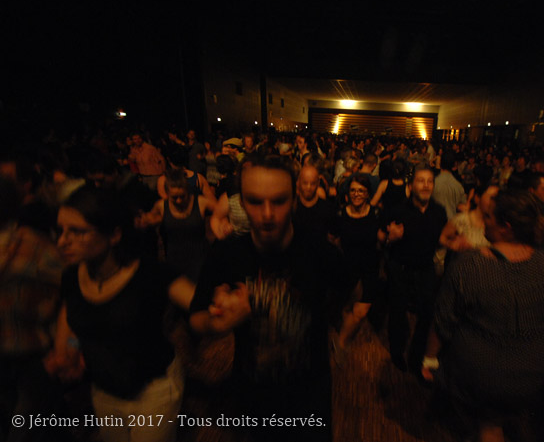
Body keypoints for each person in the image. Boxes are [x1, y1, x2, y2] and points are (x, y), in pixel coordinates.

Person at [189, 154, 348, 442]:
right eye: (254, 201)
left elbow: (353, 291)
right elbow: (196, 317)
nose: (266, 214)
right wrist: (217, 324)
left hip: (309, 398)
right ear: (240, 202)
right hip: (252, 396)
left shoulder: (319, 252)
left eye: (278, 201)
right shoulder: (226, 254)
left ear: (294, 200)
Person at [423, 189, 544, 442]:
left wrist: (430, 358)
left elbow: (443, 320)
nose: (484, 222)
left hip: (480, 370)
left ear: (505, 227)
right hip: (531, 371)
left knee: (487, 425)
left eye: (489, 217)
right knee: (496, 422)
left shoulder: (470, 266)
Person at [46, 186, 195, 442]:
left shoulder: (149, 274)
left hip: (153, 390)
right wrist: (71, 349)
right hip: (105, 392)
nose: (62, 242)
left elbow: (201, 306)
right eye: (60, 231)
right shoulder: (72, 277)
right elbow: (76, 323)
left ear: (114, 234)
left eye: (77, 232)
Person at [0, 177, 64, 442]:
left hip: (31, 354)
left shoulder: (32, 245)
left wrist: (67, 345)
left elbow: (70, 293)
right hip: (22, 352)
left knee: (24, 427)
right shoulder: (34, 245)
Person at [379, 163, 447, 373]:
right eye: (421, 181)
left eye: (430, 181)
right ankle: (397, 352)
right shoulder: (397, 210)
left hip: (425, 269)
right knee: (398, 314)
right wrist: (390, 238)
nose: (426, 185)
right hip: (400, 269)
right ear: (411, 185)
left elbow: (440, 240)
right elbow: (380, 236)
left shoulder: (439, 212)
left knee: (427, 314)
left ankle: (417, 355)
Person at [328, 175, 381, 360]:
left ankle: (341, 342)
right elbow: (332, 238)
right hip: (347, 268)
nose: (356, 194)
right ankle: (342, 328)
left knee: (362, 310)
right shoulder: (340, 215)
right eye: (353, 190)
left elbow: (382, 239)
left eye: (361, 191)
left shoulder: (376, 214)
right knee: (347, 305)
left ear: (367, 194)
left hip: (369, 268)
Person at [138, 168, 216, 282]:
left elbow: (220, 211)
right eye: (174, 197)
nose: (179, 201)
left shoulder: (201, 202)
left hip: (200, 259)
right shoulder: (161, 206)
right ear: (167, 193)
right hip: (174, 261)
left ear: (188, 190)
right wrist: (143, 221)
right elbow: (148, 221)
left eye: (182, 196)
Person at [439, 183, 499, 252]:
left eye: (497, 198)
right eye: (492, 197)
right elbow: (442, 238)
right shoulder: (461, 219)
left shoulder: (495, 226)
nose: (495, 202)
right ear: (477, 198)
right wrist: (452, 245)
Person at [433, 150, 467, 220]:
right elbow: (463, 208)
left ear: (440, 163)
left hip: (434, 221)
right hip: (451, 221)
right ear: (455, 165)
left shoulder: (433, 183)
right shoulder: (458, 186)